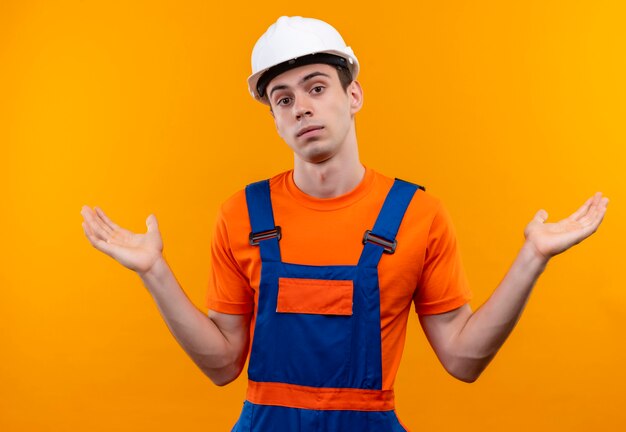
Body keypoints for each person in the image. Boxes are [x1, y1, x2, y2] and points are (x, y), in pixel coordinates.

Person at [81, 16, 609, 432]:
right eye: (282, 99)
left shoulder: (416, 215)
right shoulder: (240, 215)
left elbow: (463, 360)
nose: (301, 108)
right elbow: (222, 365)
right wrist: (153, 271)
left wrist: (531, 259)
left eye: (316, 88)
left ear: (352, 96)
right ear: (274, 118)